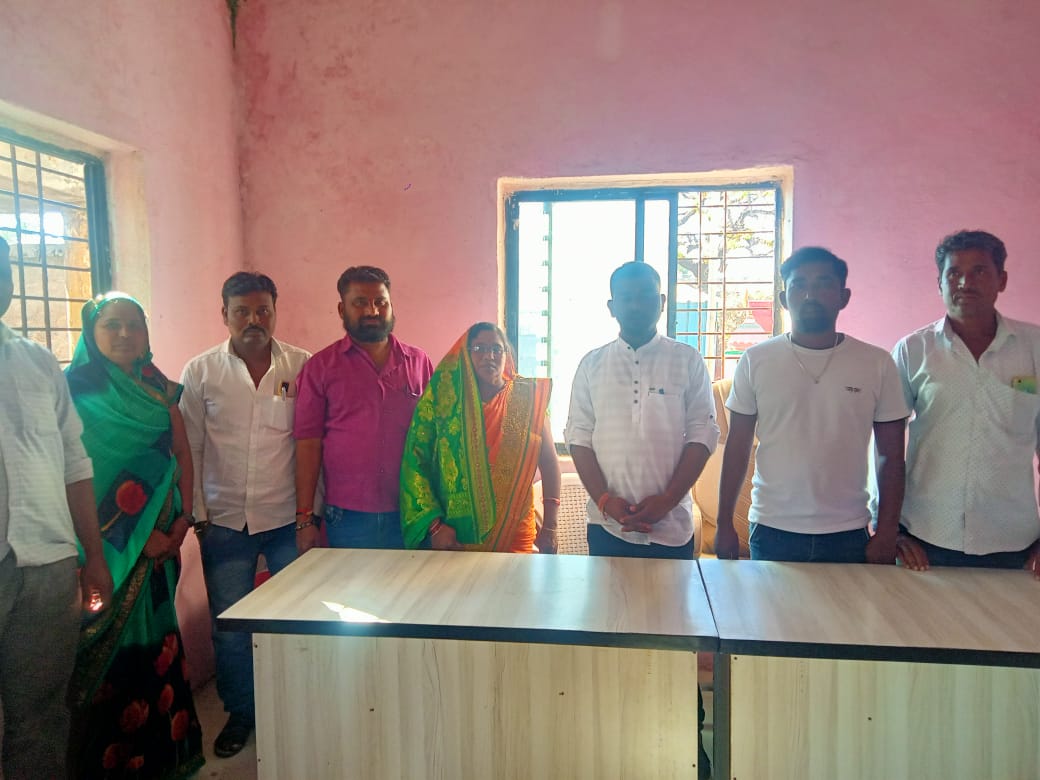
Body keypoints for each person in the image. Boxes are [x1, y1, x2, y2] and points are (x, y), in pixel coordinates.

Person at [564, 261, 718, 780]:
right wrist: (607, 501)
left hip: (672, 532)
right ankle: (615, 752)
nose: (635, 304)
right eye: (625, 297)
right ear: (612, 306)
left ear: (661, 302)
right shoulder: (591, 364)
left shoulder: (686, 360)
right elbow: (578, 436)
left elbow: (703, 432)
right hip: (606, 530)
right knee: (612, 642)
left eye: (645, 295)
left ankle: (690, 756)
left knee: (675, 647)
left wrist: (669, 499)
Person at [65, 292, 204, 779]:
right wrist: (141, 538)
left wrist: (184, 520)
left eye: (135, 324)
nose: (125, 333)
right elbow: (81, 478)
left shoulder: (160, 388)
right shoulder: (76, 394)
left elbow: (181, 454)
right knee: (115, 668)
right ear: (91, 333)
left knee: (160, 653)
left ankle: (165, 761)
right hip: (110, 554)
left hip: (164, 550)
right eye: (112, 324)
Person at [179, 272, 311, 758]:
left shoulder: (302, 366)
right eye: (242, 312)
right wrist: (197, 513)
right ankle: (241, 712)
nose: (254, 320)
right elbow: (191, 446)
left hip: (286, 519)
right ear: (225, 315)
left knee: (297, 620)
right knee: (231, 628)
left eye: (262, 311)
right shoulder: (201, 371)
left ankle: (297, 706)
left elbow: (309, 443)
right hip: (224, 522)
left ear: (275, 312)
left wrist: (310, 514)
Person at [715, 247, 909, 564]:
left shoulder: (876, 363)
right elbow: (737, 447)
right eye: (799, 284)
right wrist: (724, 523)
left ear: (844, 297)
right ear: (783, 298)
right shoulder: (756, 360)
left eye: (823, 284)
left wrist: (887, 530)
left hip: (848, 532)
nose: (810, 294)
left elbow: (890, 455)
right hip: (772, 529)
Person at [0, 237, 112, 780]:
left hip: (47, 565)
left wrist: (94, 556)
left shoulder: (38, 362)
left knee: (41, 716)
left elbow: (74, 463)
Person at [894, 230, 1040, 576]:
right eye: (954, 273)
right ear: (939, 283)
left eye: (979, 271)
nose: (965, 282)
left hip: (1014, 541)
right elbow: (886, 444)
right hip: (925, 539)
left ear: (1002, 280)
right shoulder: (913, 350)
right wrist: (888, 528)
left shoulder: (1034, 347)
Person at [295, 266, 433, 552]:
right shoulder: (320, 367)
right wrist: (305, 518)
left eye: (381, 302)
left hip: (411, 511)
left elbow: (436, 439)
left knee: (412, 583)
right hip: (348, 517)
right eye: (360, 302)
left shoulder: (419, 363)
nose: (372, 310)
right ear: (341, 309)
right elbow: (308, 444)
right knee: (351, 584)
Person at [400, 322, 561, 552]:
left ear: (507, 355)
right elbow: (416, 462)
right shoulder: (445, 404)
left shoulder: (527, 398)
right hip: (458, 535)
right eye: (479, 349)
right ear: (465, 355)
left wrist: (551, 527)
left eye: (496, 349)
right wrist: (434, 527)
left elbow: (549, 463)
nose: (489, 356)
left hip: (515, 532)